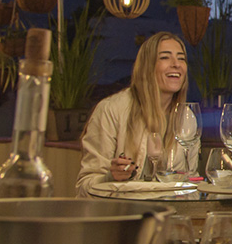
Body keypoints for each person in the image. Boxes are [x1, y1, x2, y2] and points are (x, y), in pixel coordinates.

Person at [75, 32, 190, 196]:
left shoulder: (188, 118)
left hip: (169, 211)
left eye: (181, 58)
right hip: (121, 211)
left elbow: (190, 181)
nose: (176, 64)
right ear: (147, 66)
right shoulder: (111, 110)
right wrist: (110, 177)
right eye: (165, 57)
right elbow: (85, 187)